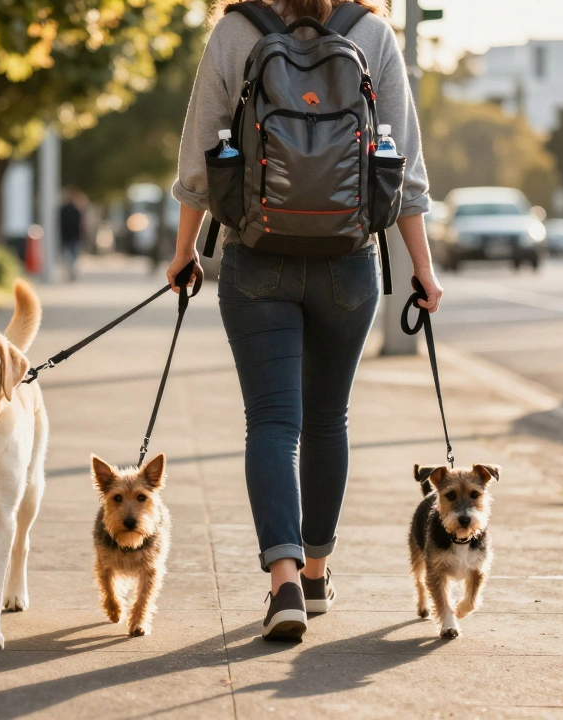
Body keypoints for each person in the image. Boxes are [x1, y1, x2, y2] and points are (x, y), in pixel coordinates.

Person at [165, 0, 444, 640]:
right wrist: (421, 269)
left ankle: (283, 583)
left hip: (255, 257)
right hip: (348, 262)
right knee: (326, 420)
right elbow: (404, 170)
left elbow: (199, 160)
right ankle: (316, 575)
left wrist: (185, 252)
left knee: (271, 422)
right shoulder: (372, 33)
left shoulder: (236, 31)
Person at [59, 188, 86, 281]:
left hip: (65, 236)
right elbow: (81, 225)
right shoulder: (76, 211)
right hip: (75, 236)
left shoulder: (62, 211)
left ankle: (69, 271)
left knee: (65, 256)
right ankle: (72, 270)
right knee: (74, 256)